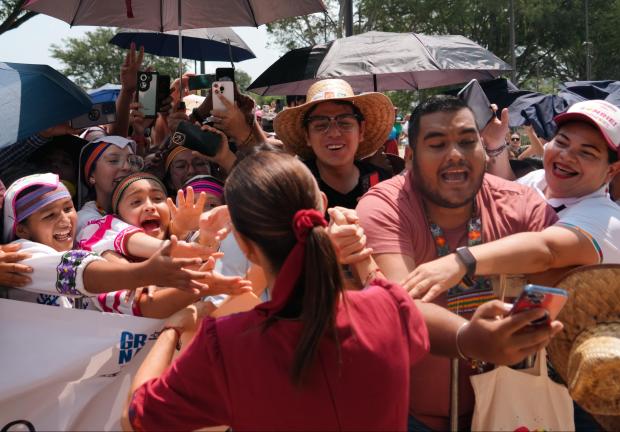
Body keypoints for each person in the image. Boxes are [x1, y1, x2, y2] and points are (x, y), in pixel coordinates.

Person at [122, 149, 561, 431]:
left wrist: (170, 333)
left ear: (246, 245)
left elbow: (137, 417)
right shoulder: (385, 310)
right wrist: (473, 338)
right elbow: (403, 311)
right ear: (322, 212)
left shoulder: (225, 346)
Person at [356, 95, 559, 430]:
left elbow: (563, 253)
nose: (455, 155)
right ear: (410, 158)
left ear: (484, 149)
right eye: (436, 144)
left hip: (515, 412)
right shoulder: (384, 206)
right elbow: (399, 301)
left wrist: (466, 260)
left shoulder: (521, 203)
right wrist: (470, 338)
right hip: (411, 417)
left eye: (467, 142)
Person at [1, 173, 212, 310]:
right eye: (49, 216)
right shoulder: (18, 255)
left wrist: (204, 282)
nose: (65, 220)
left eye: (68, 208)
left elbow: (143, 307)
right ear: (22, 230)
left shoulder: (93, 250)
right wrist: (143, 273)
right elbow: (76, 271)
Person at [274, 79, 392, 209]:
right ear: (307, 135)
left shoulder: (383, 183)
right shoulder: (291, 187)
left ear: (361, 131)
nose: (334, 133)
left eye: (344, 123)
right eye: (321, 125)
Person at [77, 135, 144, 234]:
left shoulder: (147, 210)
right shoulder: (84, 219)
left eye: (132, 161)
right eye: (113, 161)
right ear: (91, 175)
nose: (127, 167)